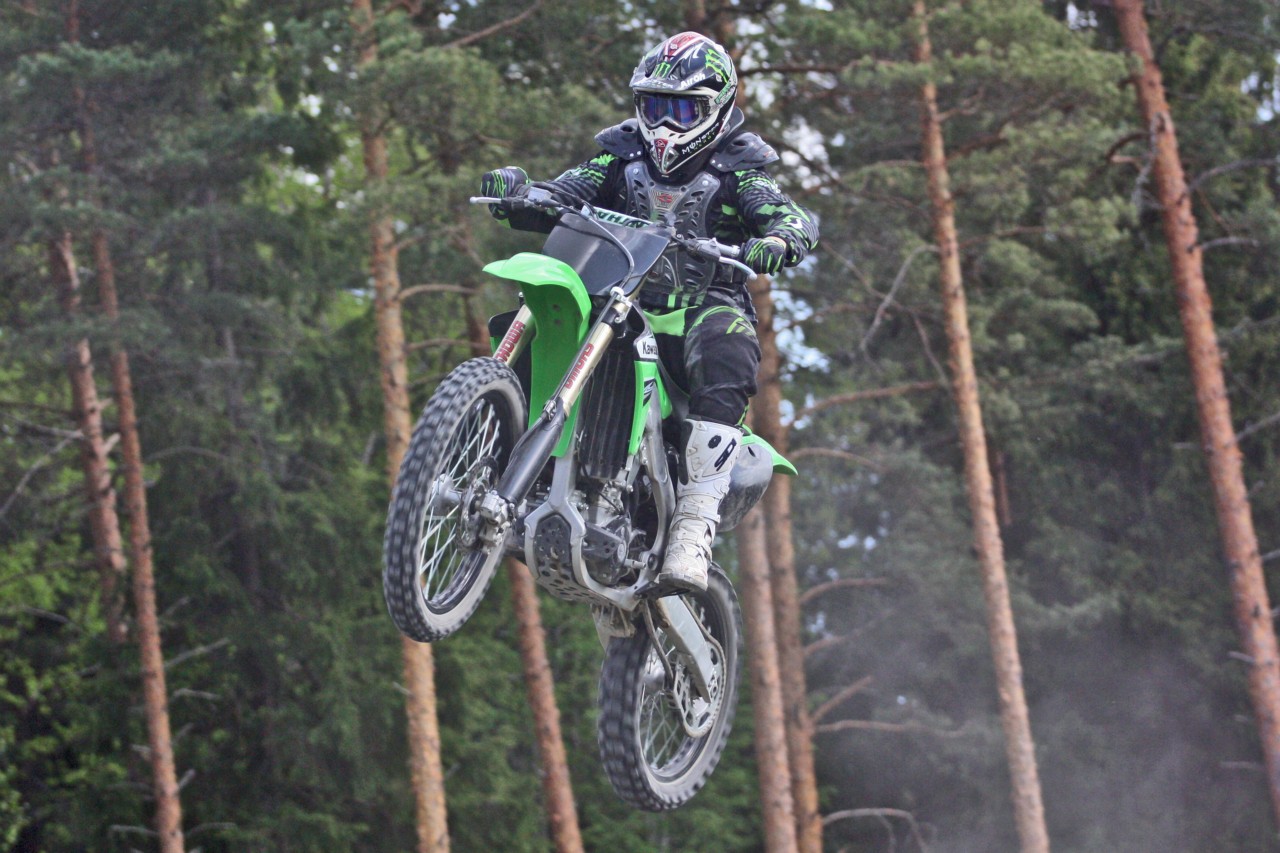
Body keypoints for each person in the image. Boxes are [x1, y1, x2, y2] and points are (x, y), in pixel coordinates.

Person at [479, 31, 819, 591]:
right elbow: (570, 188)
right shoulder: (622, 156)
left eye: (681, 110)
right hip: (619, 296)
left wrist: (780, 239)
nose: (664, 124)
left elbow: (787, 214)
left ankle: (693, 525)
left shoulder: (739, 169)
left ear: (716, 107)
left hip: (700, 306)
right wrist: (525, 195)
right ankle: (496, 461)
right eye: (654, 105)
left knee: (728, 342)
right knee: (547, 310)